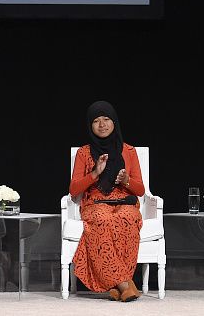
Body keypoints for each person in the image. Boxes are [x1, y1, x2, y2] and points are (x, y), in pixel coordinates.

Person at [69, 100, 145, 302]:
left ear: (115, 122)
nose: (101, 124)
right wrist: (95, 173)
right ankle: (124, 284)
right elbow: (74, 190)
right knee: (103, 221)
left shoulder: (129, 151)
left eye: (106, 119)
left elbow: (140, 189)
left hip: (125, 201)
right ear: (90, 125)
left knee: (128, 219)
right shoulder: (84, 152)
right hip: (96, 203)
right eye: (96, 120)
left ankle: (116, 285)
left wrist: (126, 180)